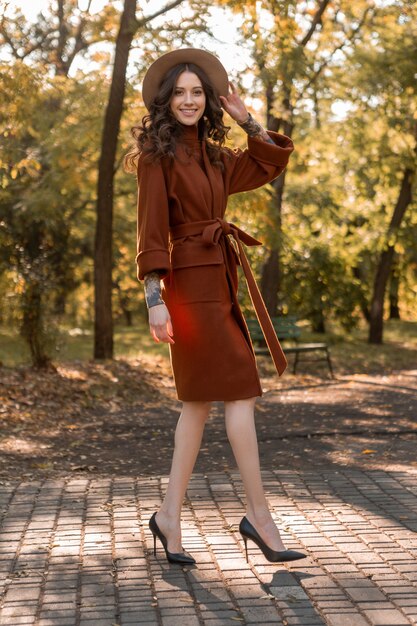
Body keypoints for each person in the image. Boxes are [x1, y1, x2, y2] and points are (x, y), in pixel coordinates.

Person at [125, 48, 306, 566]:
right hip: (187, 289)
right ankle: (259, 517)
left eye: (197, 93)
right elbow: (151, 230)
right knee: (240, 394)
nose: (188, 100)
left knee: (199, 405)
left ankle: (169, 517)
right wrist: (154, 298)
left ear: (209, 102)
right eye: (179, 92)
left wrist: (247, 119)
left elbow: (269, 163)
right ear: (166, 100)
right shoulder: (156, 157)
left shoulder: (214, 155)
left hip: (220, 283)